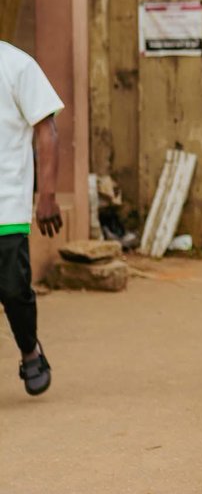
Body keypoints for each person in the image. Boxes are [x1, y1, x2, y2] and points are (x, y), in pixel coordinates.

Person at [0, 41, 64, 397]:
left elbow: (46, 129)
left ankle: (30, 350)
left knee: (13, 288)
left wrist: (48, 195)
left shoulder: (16, 65)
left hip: (6, 203)